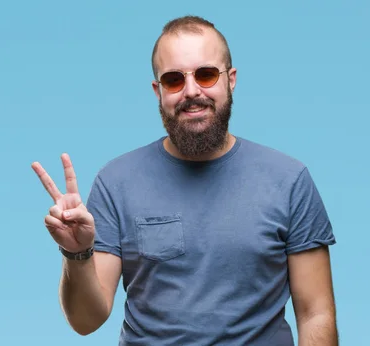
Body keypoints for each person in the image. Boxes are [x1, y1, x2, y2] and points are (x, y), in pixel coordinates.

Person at [31, 15, 338, 346]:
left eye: (206, 75)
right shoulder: (116, 182)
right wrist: (76, 253)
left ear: (230, 80)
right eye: (174, 80)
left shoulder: (289, 181)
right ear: (158, 90)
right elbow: (86, 321)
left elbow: (315, 313)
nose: (192, 92)